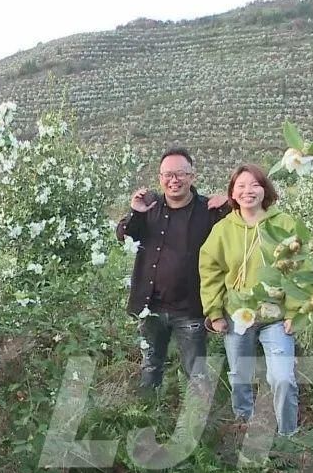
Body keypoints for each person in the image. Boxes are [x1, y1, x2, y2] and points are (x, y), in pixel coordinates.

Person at [115, 147, 229, 391]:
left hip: (191, 309)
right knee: (150, 366)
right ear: (160, 178)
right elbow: (123, 234)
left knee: (196, 372)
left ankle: (198, 421)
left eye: (180, 174)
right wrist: (136, 212)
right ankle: (147, 418)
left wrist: (231, 202)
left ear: (192, 176)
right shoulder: (149, 207)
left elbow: (242, 226)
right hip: (151, 307)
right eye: (167, 174)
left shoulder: (208, 210)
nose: (173, 180)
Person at [199, 163, 300, 436]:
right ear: (232, 192)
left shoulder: (285, 224)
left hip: (275, 316)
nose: (248, 191)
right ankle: (244, 424)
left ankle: (287, 435)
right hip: (237, 313)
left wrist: (294, 311)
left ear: (264, 189)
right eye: (241, 186)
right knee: (240, 376)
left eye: (254, 185)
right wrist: (215, 312)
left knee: (282, 378)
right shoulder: (223, 229)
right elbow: (210, 270)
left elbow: (300, 267)